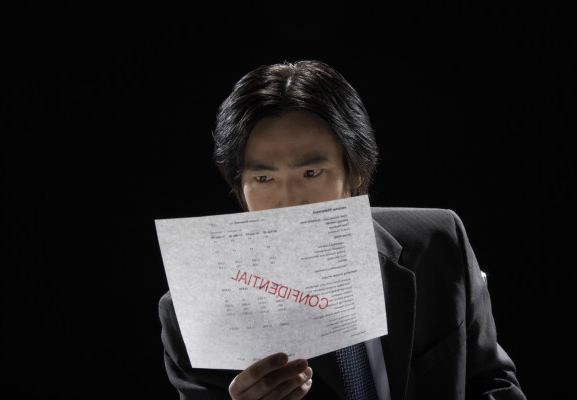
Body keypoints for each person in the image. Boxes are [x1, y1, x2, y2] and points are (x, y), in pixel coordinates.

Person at [158, 60, 527, 399]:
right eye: (264, 177)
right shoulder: (195, 317)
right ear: (239, 187)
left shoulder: (439, 242)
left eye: (311, 173)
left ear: (357, 172)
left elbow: (492, 383)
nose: (290, 202)